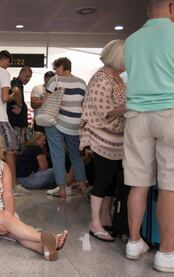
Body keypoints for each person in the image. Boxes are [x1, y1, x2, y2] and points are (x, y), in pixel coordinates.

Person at [123, 0, 174, 272]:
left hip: (136, 116)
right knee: (170, 184)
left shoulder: (131, 40)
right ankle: (166, 253)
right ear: (171, 6)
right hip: (170, 112)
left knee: (138, 182)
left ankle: (134, 243)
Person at [0, 131, 68, 261]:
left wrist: (10, 217)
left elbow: (7, 195)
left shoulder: (3, 166)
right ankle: (45, 237)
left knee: (15, 231)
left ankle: (44, 249)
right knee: (13, 226)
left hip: (1, 211)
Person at [80, 39, 126, 242]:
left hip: (116, 138)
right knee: (103, 179)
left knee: (111, 180)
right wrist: (130, 106)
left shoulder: (117, 78)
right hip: (102, 137)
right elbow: (104, 112)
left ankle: (106, 218)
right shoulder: (101, 79)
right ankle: (95, 222)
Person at [0, 50, 28, 196]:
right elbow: (4, 98)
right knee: (10, 149)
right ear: (5, 60)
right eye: (9, 64)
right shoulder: (3, 73)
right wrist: (15, 94)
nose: (8, 67)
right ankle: (12, 187)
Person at [44, 57, 87, 198]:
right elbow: (84, 105)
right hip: (75, 124)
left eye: (56, 68)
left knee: (58, 155)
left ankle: (62, 190)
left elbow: (46, 102)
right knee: (76, 155)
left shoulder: (55, 80)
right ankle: (82, 186)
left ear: (62, 67)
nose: (55, 71)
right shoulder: (82, 83)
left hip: (56, 122)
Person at [7, 66, 33, 154]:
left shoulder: (18, 83)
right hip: (16, 124)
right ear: (21, 73)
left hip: (18, 124)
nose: (28, 79)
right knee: (16, 150)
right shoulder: (16, 82)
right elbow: (16, 90)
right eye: (26, 76)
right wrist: (20, 105)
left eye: (29, 77)